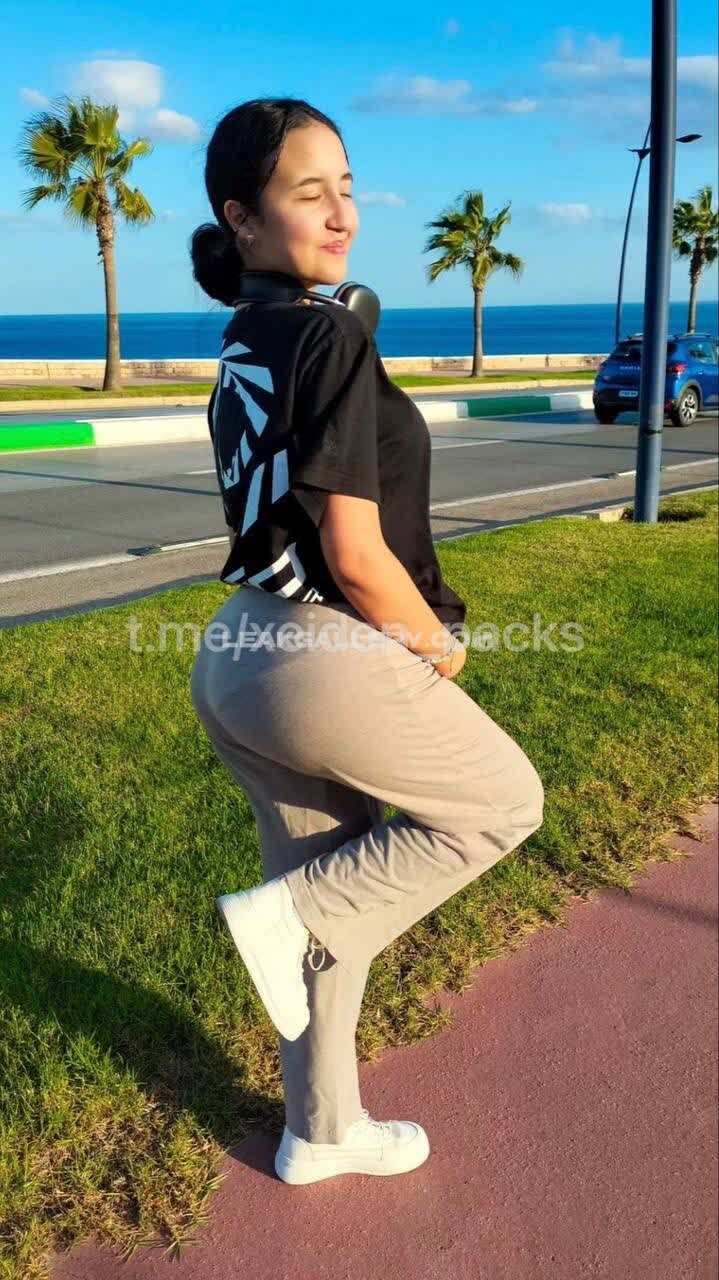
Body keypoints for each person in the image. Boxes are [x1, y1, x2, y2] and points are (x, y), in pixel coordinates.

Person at [189, 96, 545, 1186]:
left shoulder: (250, 334)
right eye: (311, 193)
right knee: (502, 801)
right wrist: (436, 647)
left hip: (236, 654)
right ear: (241, 216)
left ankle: (321, 1128)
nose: (342, 212)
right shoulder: (331, 333)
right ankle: (285, 918)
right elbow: (353, 551)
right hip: (318, 656)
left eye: (346, 187)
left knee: (331, 913)